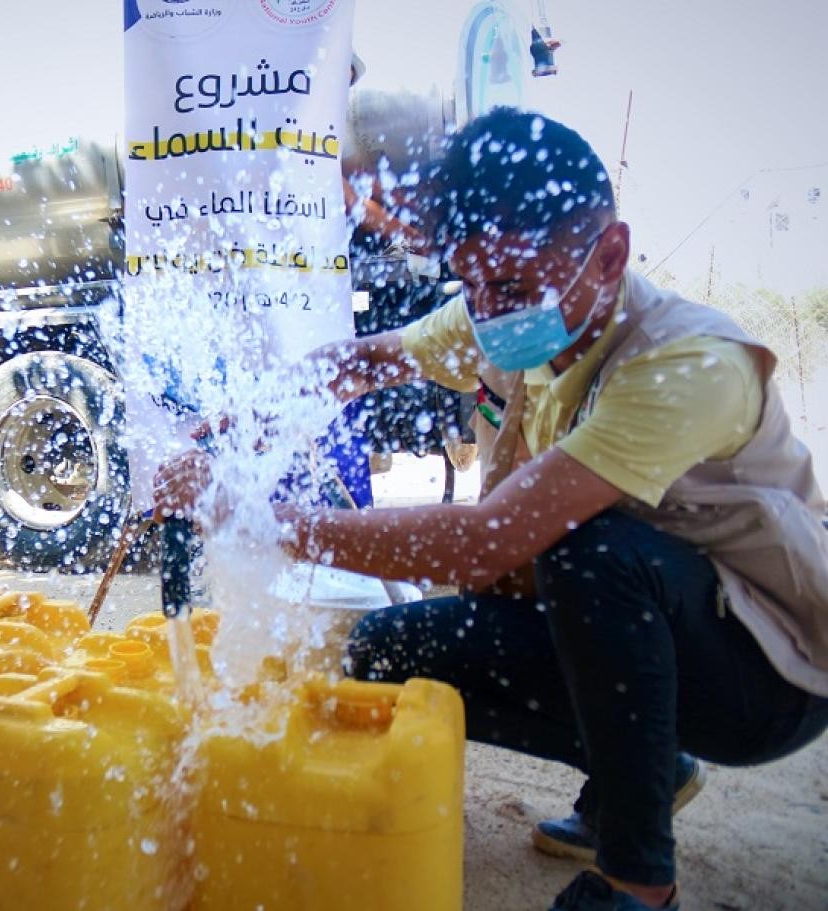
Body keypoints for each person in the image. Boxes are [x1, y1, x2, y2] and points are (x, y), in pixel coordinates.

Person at [153, 107, 828, 911]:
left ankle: (638, 878)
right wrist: (231, 427)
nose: (488, 310)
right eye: (468, 282)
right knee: (385, 651)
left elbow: (485, 542)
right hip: (653, 645)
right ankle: (650, 768)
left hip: (765, 678)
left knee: (592, 551)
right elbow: (360, 363)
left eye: (508, 284)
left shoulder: (687, 365)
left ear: (609, 254)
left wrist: (260, 519)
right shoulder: (507, 315)